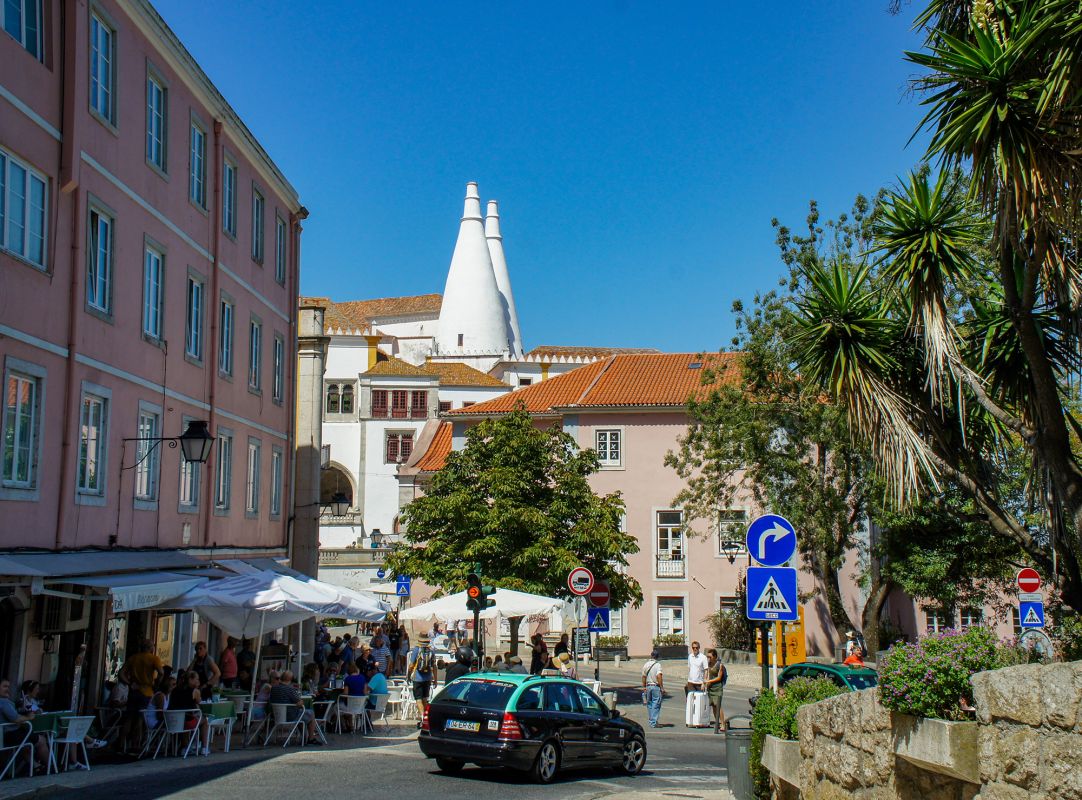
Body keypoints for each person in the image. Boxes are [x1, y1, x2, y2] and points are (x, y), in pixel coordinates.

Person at [119, 640, 163, 752]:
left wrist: (129, 683)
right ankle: (136, 745)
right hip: (146, 691)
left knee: (129, 718)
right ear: (151, 647)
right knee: (140, 719)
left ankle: (121, 744)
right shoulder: (154, 659)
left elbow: (121, 673)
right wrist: (157, 683)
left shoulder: (133, 658)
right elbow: (161, 672)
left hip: (134, 691)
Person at [0, 677, 51, 772]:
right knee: (41, 740)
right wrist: (29, 717)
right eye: (5, 686)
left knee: (26, 742)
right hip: (9, 735)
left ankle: (36, 766)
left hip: (7, 734)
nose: (8, 689)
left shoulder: (7, 701)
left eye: (8, 687)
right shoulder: (4, 702)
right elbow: (16, 718)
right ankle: (50, 768)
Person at [268, 670, 320, 744]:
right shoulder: (289, 689)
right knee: (310, 713)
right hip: (290, 718)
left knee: (302, 714)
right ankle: (311, 738)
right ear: (290, 680)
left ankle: (304, 738)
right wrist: (298, 703)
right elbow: (300, 702)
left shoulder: (273, 688)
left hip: (276, 717)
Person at [169, 670, 212, 756]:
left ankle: (185, 747)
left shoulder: (174, 690)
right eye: (196, 679)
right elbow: (199, 702)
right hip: (186, 721)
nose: (198, 681)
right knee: (204, 721)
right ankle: (204, 748)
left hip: (172, 721)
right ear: (190, 679)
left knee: (185, 718)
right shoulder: (195, 691)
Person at [407, 634, 434, 723]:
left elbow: (411, 665)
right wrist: (435, 679)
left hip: (417, 678)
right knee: (425, 698)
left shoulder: (416, 649)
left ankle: (423, 718)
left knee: (418, 699)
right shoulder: (431, 650)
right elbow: (434, 666)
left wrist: (408, 675)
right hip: (428, 678)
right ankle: (426, 717)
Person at [704, 648, 727, 734]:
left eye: (710, 657)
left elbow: (719, 678)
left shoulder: (719, 665)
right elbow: (707, 673)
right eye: (708, 656)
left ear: (715, 657)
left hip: (717, 688)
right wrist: (706, 681)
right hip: (710, 687)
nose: (708, 658)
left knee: (718, 705)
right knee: (713, 705)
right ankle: (717, 722)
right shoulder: (709, 664)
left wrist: (709, 681)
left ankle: (723, 724)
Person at [641, 650, 664, 729]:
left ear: (651, 656)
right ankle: (653, 722)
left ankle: (651, 720)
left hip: (648, 686)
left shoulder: (646, 664)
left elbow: (643, 676)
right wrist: (661, 687)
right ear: (657, 657)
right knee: (656, 704)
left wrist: (644, 687)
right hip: (655, 686)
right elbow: (659, 676)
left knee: (650, 704)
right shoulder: (658, 665)